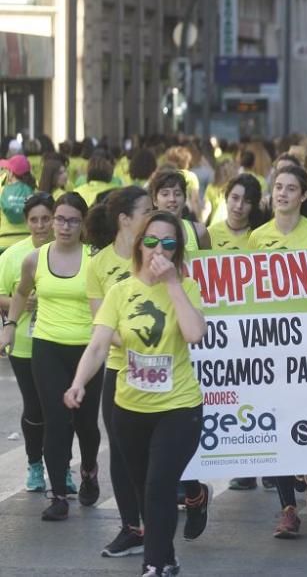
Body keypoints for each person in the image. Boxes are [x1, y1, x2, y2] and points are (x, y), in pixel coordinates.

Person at [65, 210, 207, 577]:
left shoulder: (187, 288)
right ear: (139, 244)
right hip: (129, 408)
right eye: (152, 241)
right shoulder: (120, 291)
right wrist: (79, 383)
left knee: (160, 486)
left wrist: (173, 284)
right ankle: (168, 556)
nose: (159, 249)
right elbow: (98, 346)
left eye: (169, 243)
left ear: (178, 251)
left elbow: (194, 335)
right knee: (147, 491)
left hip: (179, 407)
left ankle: (154, 565)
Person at [249, 165, 307, 537]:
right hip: (270, 344)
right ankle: (287, 508)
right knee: (277, 424)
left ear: (303, 196)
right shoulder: (256, 237)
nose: (282, 193)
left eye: (290, 188)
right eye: (277, 187)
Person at [0, 193, 100, 521]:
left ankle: (88, 470)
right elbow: (21, 292)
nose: (64, 226)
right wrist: (11, 326)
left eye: (72, 220)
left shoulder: (94, 259)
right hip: (47, 347)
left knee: (86, 423)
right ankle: (57, 494)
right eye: (60, 219)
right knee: (56, 421)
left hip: (88, 351)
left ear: (83, 224)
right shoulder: (35, 259)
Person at [85, 187, 157, 556]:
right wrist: (132, 341)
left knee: (154, 453)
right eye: (148, 209)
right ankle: (132, 528)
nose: (154, 213)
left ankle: (170, 513)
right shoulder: (98, 265)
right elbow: (102, 324)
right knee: (121, 450)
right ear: (125, 219)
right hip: (119, 369)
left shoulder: (157, 252)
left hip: (161, 369)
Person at [0, 193, 55, 494]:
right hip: (24, 343)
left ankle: (61, 469)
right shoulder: (11, 256)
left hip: (62, 342)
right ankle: (35, 464)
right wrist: (22, 301)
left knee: (60, 409)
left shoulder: (69, 251)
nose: (40, 225)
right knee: (35, 407)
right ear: (26, 221)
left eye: (46, 218)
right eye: (34, 219)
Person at [150, 170, 211, 251]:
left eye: (177, 194)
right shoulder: (145, 233)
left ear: (185, 199)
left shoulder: (200, 232)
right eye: (165, 194)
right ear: (155, 200)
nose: (172, 199)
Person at [208, 175, 267, 251]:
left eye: (247, 201)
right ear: (226, 197)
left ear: (254, 205)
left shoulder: (260, 236)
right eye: (235, 198)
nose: (239, 206)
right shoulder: (209, 234)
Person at [0, 154, 35, 251]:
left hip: (3, 242)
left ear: (11, 173)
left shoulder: (1, 190)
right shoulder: (34, 191)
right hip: (26, 242)